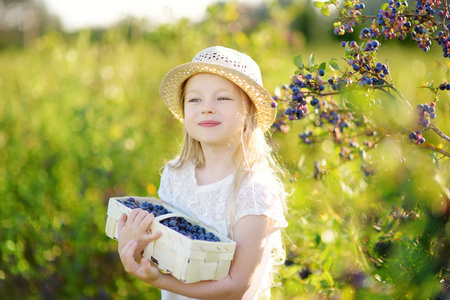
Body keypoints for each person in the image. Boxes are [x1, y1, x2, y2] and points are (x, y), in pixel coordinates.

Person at [117, 46, 288, 300]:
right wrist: (133, 247)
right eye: (195, 99)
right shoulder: (176, 176)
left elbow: (236, 287)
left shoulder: (253, 191)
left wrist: (159, 280)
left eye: (223, 98)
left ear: (249, 112)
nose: (207, 107)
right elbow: (166, 248)